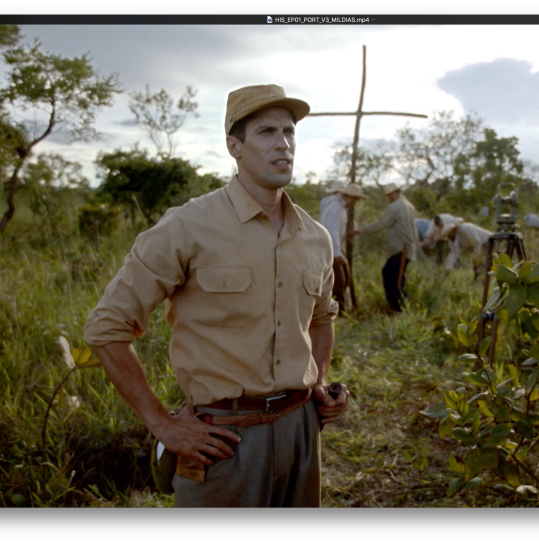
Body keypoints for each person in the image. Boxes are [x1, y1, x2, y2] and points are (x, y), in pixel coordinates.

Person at [83, 84, 350, 507]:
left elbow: (321, 319)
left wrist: (319, 382)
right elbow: (106, 327)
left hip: (302, 433)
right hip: (225, 441)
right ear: (234, 146)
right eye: (266, 132)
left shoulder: (314, 238)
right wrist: (163, 425)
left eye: (289, 132)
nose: (283, 144)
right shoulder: (187, 227)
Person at [349, 183, 417, 313]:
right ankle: (398, 305)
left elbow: (381, 223)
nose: (389, 197)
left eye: (389, 195)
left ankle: (397, 307)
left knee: (393, 278)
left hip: (401, 248)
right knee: (393, 275)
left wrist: (360, 231)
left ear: (394, 193)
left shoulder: (396, 206)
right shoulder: (408, 205)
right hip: (404, 247)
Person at [319, 183, 365, 314]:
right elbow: (332, 231)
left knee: (344, 279)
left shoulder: (340, 207)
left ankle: (341, 310)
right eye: (355, 199)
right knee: (339, 282)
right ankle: (337, 312)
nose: (355, 202)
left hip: (334, 248)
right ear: (349, 197)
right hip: (331, 249)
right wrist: (337, 254)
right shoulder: (335, 207)